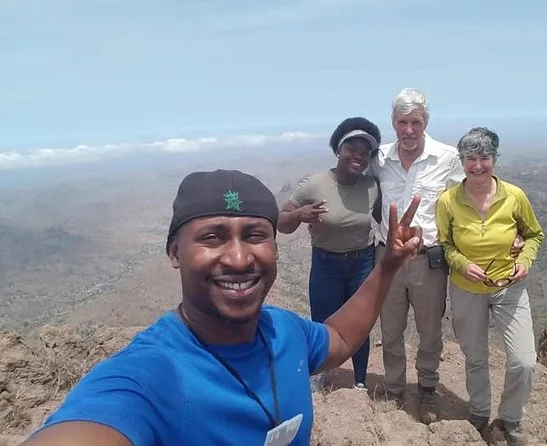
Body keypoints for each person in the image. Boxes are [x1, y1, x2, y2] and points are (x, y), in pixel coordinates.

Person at [21, 169, 423, 446]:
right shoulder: (151, 374)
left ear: (275, 249)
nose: (238, 258)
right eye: (213, 237)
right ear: (175, 253)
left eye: (255, 235)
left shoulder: (285, 330)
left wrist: (387, 265)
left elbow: (339, 337)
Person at [435, 127, 544, 446]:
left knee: (524, 360)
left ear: (495, 158)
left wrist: (524, 261)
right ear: (461, 161)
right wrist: (461, 264)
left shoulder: (514, 196)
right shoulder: (448, 201)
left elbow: (534, 235)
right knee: (475, 356)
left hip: (509, 287)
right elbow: (445, 244)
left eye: (485, 158)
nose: (478, 166)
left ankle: (512, 417)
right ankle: (480, 412)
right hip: (467, 289)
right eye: (470, 158)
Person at [369, 87, 466, 425]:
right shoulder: (379, 159)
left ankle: (427, 387)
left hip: (428, 260)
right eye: (402, 122)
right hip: (389, 258)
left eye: (416, 122)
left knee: (429, 329)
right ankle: (394, 388)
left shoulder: (447, 158)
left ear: (426, 122)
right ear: (392, 122)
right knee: (390, 327)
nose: (409, 130)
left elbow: (469, 198)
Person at [277, 117, 382, 392]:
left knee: (360, 322)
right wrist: (300, 214)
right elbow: (281, 222)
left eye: (365, 152)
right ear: (338, 150)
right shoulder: (314, 184)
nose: (358, 155)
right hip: (326, 263)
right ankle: (320, 374)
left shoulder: (372, 186)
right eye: (351, 148)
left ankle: (360, 380)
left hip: (362, 262)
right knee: (323, 322)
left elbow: (383, 219)